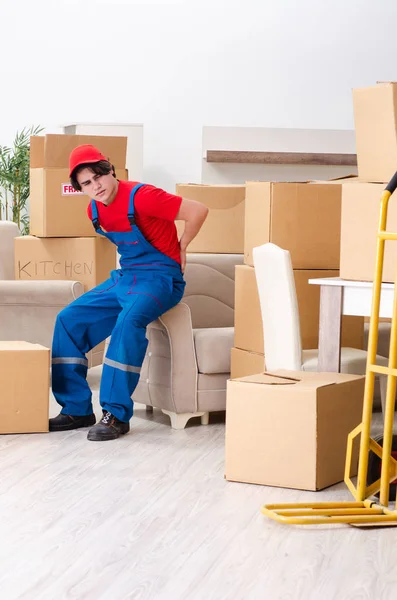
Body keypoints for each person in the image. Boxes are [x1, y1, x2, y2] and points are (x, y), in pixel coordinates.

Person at [49, 144, 208, 441]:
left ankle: (116, 415)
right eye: (86, 182)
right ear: (79, 187)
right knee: (69, 319)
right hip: (127, 277)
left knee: (127, 321)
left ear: (111, 170)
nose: (96, 186)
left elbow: (198, 210)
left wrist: (182, 246)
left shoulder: (143, 196)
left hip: (162, 278)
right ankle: (76, 409)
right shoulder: (94, 209)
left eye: (99, 176)